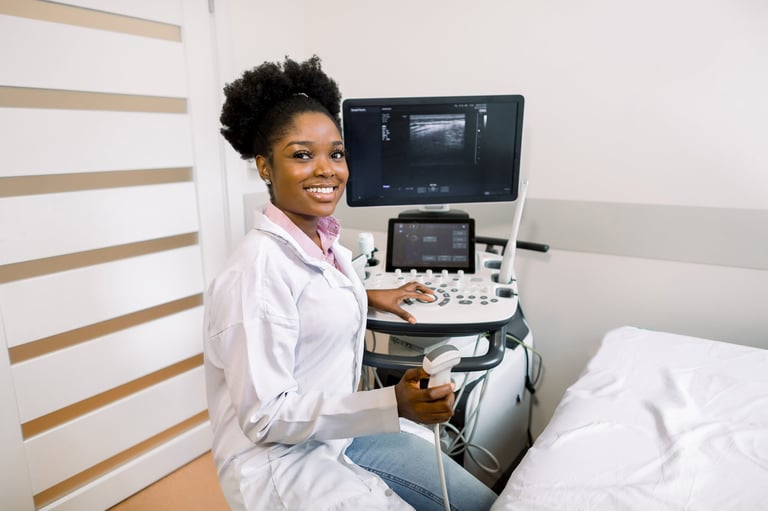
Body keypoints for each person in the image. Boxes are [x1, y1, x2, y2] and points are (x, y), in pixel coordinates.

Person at [204, 55, 498, 511]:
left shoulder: (325, 242)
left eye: (336, 154)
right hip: (285, 463)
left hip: (340, 434)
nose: (327, 170)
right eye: (302, 155)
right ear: (264, 167)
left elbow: (312, 302)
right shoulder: (255, 273)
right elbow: (265, 417)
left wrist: (363, 294)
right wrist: (393, 403)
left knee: (482, 503)